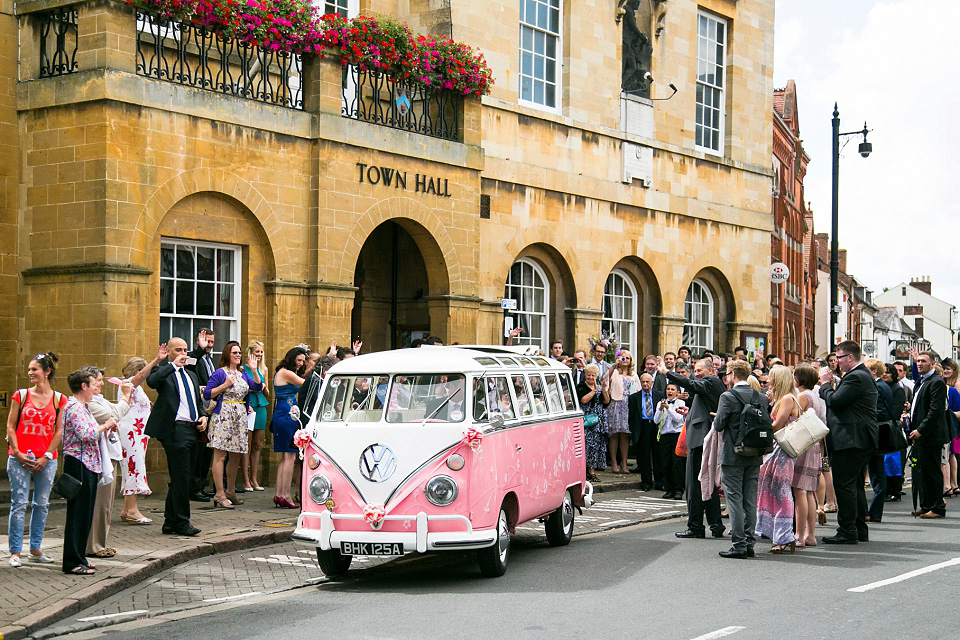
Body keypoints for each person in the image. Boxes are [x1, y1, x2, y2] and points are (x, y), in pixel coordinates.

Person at [6, 352, 65, 567]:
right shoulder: (20, 396)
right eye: (29, 369)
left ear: (47, 372)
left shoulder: (59, 399)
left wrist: (47, 456)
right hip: (19, 457)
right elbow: (11, 426)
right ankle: (15, 552)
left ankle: (35, 549)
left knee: (41, 504)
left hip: (46, 458)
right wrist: (17, 451)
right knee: (19, 503)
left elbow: (59, 431)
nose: (30, 373)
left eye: (34, 369)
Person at [145, 337, 207, 537]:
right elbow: (151, 382)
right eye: (178, 350)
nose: (183, 353)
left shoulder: (191, 374)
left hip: (192, 429)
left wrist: (203, 416)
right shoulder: (163, 372)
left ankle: (170, 521)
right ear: (169, 352)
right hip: (174, 429)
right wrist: (169, 364)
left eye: (185, 350)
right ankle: (182, 521)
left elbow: (197, 401)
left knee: (184, 477)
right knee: (181, 476)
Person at [818, 340, 879, 543]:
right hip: (858, 439)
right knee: (855, 486)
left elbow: (835, 401)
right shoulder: (860, 376)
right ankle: (859, 529)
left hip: (852, 440)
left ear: (850, 357)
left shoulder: (856, 377)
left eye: (839, 358)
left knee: (844, 485)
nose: (837, 362)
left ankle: (847, 531)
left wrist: (825, 384)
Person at [61, 368, 118, 575]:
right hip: (79, 464)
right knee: (78, 514)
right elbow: (86, 434)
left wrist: (106, 428)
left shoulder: (83, 407)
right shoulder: (74, 407)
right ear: (83, 386)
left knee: (85, 514)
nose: (96, 387)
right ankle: (72, 562)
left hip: (89, 465)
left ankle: (80, 558)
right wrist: (106, 425)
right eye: (93, 384)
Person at [663, 356, 726, 539]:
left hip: (700, 440)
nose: (696, 374)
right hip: (701, 438)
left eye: (700, 371)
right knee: (704, 484)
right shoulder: (709, 383)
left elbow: (693, 385)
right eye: (695, 371)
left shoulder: (711, 381)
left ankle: (696, 526)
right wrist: (690, 412)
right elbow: (705, 405)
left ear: (711, 371)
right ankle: (714, 525)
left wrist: (667, 372)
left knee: (695, 485)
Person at [712, 360, 763, 559]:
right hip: (754, 453)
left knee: (734, 499)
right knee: (750, 500)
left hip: (733, 454)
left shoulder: (727, 397)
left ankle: (739, 544)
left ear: (733, 374)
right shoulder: (760, 397)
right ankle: (749, 543)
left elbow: (718, 425)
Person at [204, 341, 264, 509]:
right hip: (223, 415)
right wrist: (224, 385)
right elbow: (207, 394)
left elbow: (257, 387)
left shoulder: (243, 373)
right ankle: (219, 493)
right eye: (234, 352)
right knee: (220, 455)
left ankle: (230, 491)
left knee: (236, 455)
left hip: (240, 415)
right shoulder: (219, 373)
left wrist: (254, 370)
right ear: (227, 355)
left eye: (239, 353)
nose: (238, 355)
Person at [84, 366, 134, 559]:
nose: (102, 383)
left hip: (108, 454)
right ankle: (93, 546)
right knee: (100, 503)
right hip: (98, 456)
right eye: (98, 380)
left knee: (106, 504)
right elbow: (114, 414)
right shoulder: (89, 404)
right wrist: (126, 396)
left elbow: (114, 410)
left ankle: (100, 543)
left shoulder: (99, 399)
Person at [117, 348, 168, 525]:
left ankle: (126, 509)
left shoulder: (134, 388)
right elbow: (138, 379)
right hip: (131, 434)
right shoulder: (128, 383)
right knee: (133, 468)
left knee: (133, 467)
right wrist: (156, 360)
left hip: (137, 433)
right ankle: (132, 510)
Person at [754, 365, 799, 554]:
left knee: (781, 491)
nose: (767, 381)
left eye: (771, 377)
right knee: (769, 488)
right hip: (775, 449)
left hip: (783, 450)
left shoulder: (788, 399)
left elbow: (776, 425)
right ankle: (775, 532)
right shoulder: (781, 398)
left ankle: (785, 535)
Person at [908, 351, 949, 519]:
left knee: (932, 472)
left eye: (923, 361)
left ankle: (937, 507)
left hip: (931, 435)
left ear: (933, 364)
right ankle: (926, 506)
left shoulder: (936, 382)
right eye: (918, 361)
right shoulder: (921, 381)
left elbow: (935, 411)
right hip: (920, 435)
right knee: (921, 472)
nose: (919, 364)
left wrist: (921, 429)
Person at [793, 364, 824, 546]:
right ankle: (810, 535)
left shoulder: (803, 396)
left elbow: (794, 417)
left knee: (799, 490)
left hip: (803, 444)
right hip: (813, 444)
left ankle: (799, 534)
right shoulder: (815, 396)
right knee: (809, 491)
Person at [272, 346, 307, 509]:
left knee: (286, 456)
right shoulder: (286, 372)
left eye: (303, 361)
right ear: (291, 358)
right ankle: (285, 495)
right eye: (298, 360)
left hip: (284, 413)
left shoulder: (284, 371)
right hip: (287, 414)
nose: (300, 363)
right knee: (290, 456)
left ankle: (280, 494)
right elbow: (305, 384)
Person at [863, 358, 895, 524]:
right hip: (879, 433)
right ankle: (873, 512)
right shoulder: (883, 386)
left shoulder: (879, 386)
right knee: (876, 472)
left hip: (876, 434)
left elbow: (880, 412)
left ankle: (874, 511)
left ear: (874, 371)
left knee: (877, 474)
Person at [186, 328, 216, 502]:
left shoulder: (209, 359)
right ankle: (194, 487)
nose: (209, 345)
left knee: (206, 451)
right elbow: (190, 364)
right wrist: (199, 350)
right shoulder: (192, 356)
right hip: (197, 409)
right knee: (197, 451)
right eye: (206, 342)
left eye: (212, 342)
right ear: (198, 340)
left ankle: (201, 485)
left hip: (210, 408)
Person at [602, 350, 640, 474]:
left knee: (625, 435)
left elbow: (638, 389)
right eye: (622, 358)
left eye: (627, 358)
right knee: (614, 434)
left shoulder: (633, 374)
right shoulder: (614, 372)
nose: (625, 360)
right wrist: (614, 365)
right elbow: (604, 379)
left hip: (628, 405)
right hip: (616, 404)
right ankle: (613, 462)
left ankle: (624, 463)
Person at [241, 340, 269, 492]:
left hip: (261, 405)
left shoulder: (264, 369)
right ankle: (245, 480)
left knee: (257, 444)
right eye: (256, 351)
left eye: (261, 352)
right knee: (247, 443)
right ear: (250, 352)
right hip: (248, 405)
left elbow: (267, 391)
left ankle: (254, 478)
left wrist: (263, 387)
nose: (259, 354)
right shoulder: (242, 368)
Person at [654, 382, 686, 500]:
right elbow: (656, 420)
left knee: (676, 463)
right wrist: (660, 409)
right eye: (668, 389)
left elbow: (678, 419)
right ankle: (669, 489)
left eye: (673, 389)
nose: (670, 391)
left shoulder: (680, 403)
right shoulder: (661, 403)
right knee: (665, 463)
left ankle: (678, 490)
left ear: (677, 392)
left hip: (676, 435)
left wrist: (669, 408)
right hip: (665, 436)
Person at [577, 364, 608, 483]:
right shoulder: (581, 387)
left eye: (593, 375)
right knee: (585, 445)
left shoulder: (600, 387)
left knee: (595, 446)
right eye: (589, 375)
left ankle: (592, 471)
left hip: (597, 421)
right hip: (586, 419)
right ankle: (582, 471)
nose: (591, 377)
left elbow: (606, 401)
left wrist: (604, 390)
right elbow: (583, 400)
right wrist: (594, 391)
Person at [628, 371, 659, 489]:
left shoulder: (659, 395)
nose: (645, 384)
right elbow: (631, 416)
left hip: (655, 425)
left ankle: (660, 481)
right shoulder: (634, 398)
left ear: (652, 382)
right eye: (643, 382)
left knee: (658, 454)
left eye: (648, 382)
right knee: (644, 456)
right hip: (642, 426)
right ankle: (646, 482)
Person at [882, 363, 908, 501]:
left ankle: (894, 490)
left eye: (888, 372)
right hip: (882, 427)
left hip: (892, 428)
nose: (885, 374)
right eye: (883, 372)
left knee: (894, 462)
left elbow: (895, 410)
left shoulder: (897, 389)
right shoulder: (880, 387)